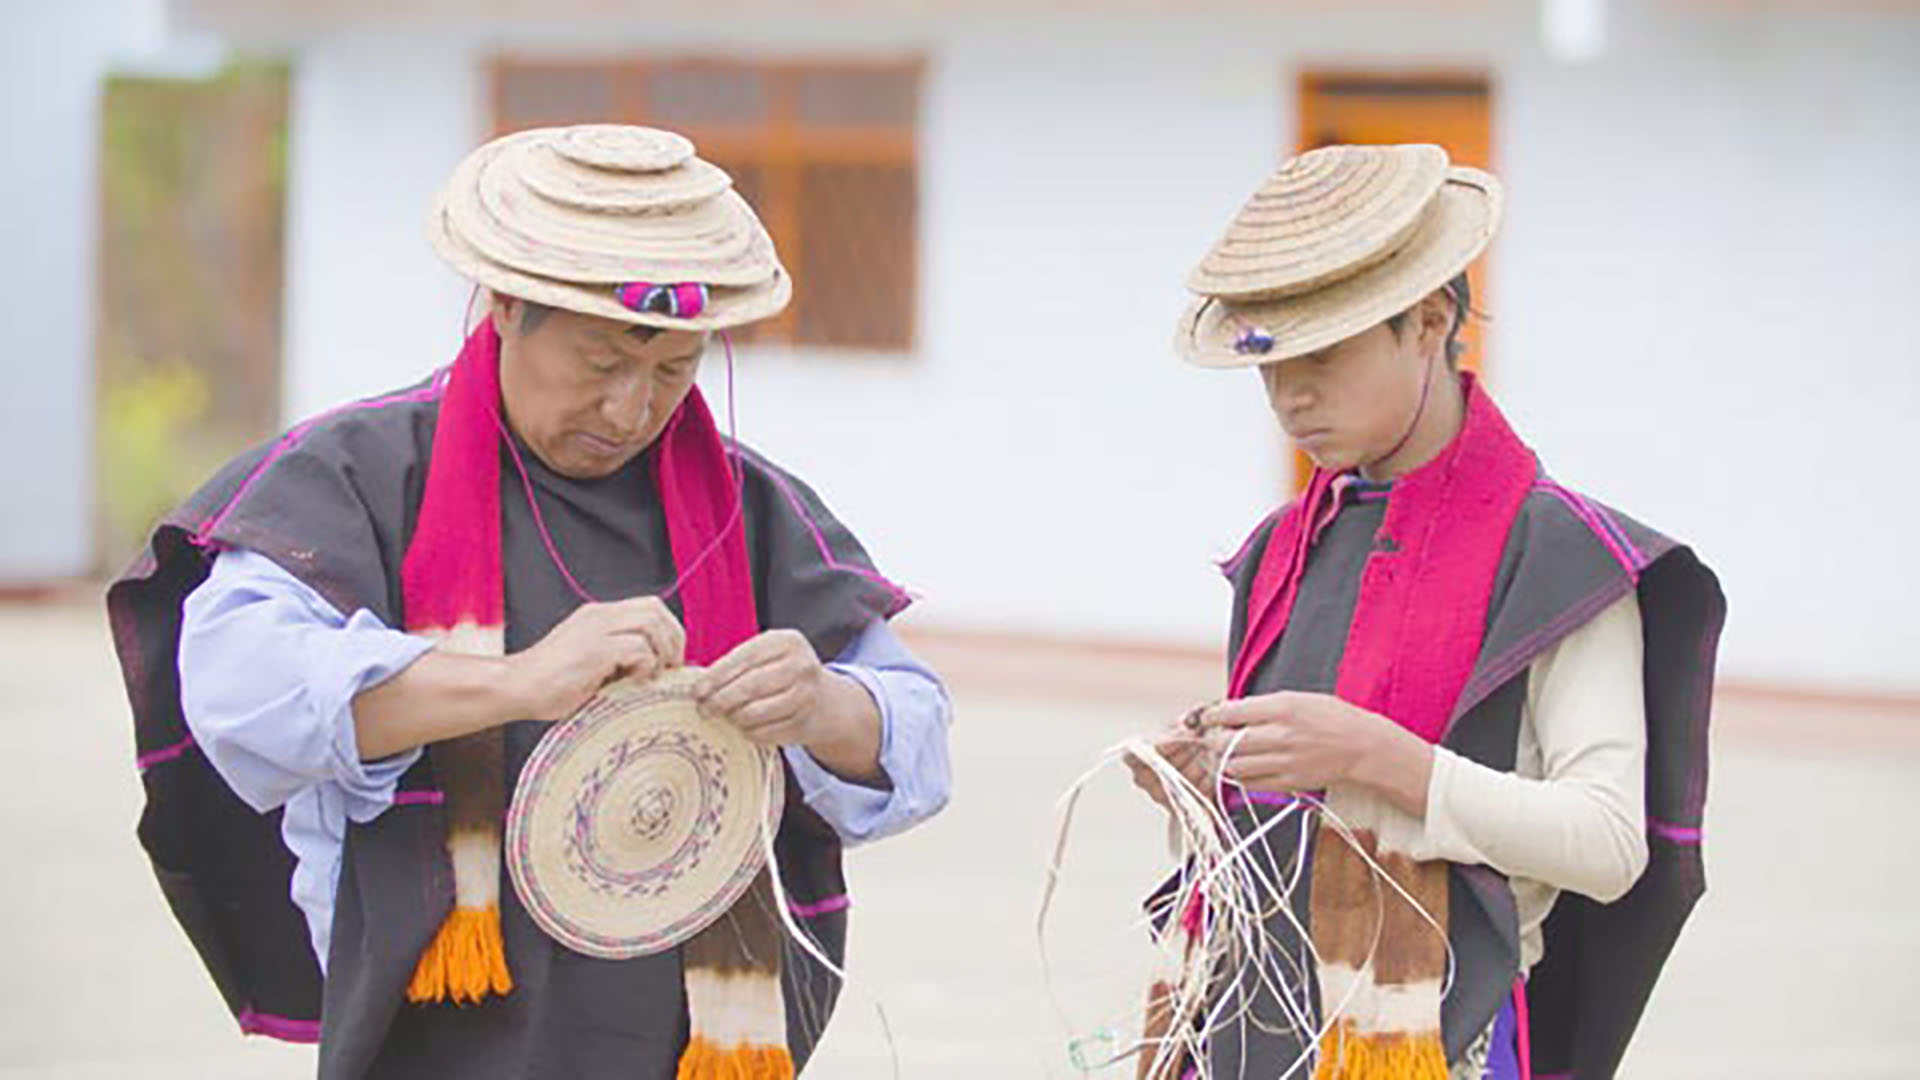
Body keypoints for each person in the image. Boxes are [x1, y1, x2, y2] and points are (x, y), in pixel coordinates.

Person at [108, 124, 952, 1079]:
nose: (631, 410)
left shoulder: (749, 507)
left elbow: (916, 735)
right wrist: (517, 682)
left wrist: (824, 707)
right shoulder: (359, 474)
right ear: (506, 306)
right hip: (436, 1033)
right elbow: (241, 692)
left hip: (685, 1048)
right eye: (601, 364)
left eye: (671, 371)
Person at [1127, 143, 1724, 1080]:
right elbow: (1274, 843)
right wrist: (1204, 788)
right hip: (1250, 1028)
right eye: (1269, 361)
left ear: (1431, 321)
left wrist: (1380, 759)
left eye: (1325, 352)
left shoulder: (1556, 554)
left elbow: (1609, 845)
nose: (1291, 395)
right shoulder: (1284, 548)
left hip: (1441, 1042)